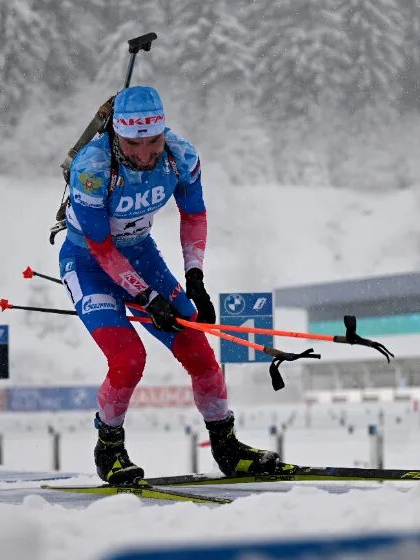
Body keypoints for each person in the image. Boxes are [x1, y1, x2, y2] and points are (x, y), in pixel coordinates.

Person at [58, 86, 279, 484]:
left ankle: (226, 446)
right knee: (128, 359)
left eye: (153, 141)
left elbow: (194, 215)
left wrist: (195, 278)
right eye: (133, 144)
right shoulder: (92, 169)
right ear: (116, 136)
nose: (145, 154)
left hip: (141, 256)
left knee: (198, 350)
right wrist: (146, 297)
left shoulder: (181, 156)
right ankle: (109, 448)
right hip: (89, 263)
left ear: (164, 131)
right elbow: (101, 246)